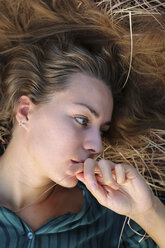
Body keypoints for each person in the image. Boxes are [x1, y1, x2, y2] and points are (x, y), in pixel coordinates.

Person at [0, 0, 164, 247]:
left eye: (102, 130)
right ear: (24, 111)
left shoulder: (112, 215)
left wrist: (147, 212)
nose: (97, 146)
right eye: (82, 119)